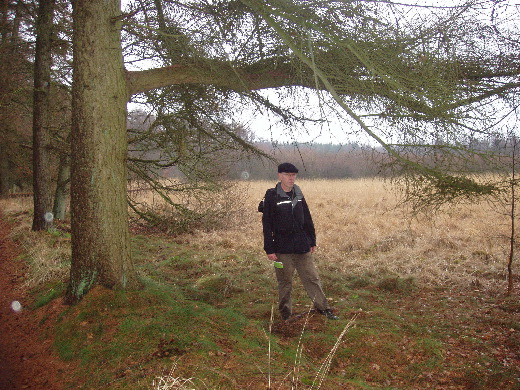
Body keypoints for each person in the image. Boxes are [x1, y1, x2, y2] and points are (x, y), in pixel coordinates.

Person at [261, 162, 338, 321]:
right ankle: (285, 313)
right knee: (285, 282)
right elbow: (266, 224)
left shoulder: (298, 194)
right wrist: (269, 249)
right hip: (282, 248)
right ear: (279, 176)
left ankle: (323, 309)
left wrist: (312, 240)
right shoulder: (271, 196)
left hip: (302, 245)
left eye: (293, 175)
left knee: (312, 278)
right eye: (288, 175)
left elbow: (307, 219)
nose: (291, 178)